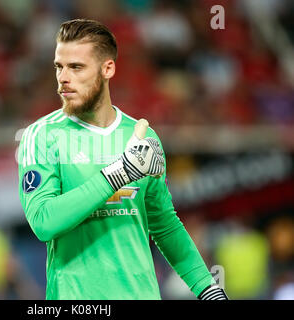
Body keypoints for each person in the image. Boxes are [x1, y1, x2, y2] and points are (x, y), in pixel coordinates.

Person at [17, 19, 228, 300]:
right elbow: (44, 221)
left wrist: (208, 289)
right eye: (59, 66)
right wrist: (120, 172)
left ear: (108, 69)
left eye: (76, 67)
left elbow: (164, 225)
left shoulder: (142, 136)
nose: (63, 78)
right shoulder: (42, 136)